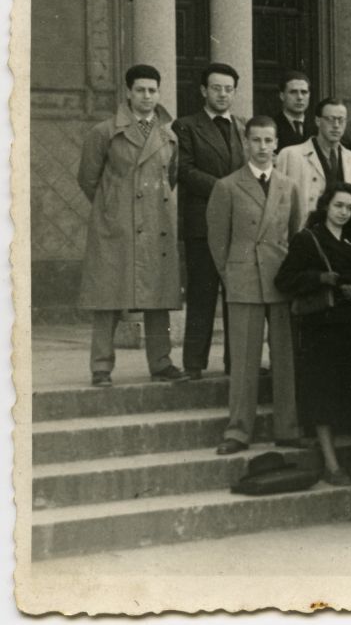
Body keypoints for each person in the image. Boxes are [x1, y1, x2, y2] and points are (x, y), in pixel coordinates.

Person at [78, 64, 187, 386]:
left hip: (156, 224)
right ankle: (101, 367)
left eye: (152, 90)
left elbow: (170, 178)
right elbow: (88, 178)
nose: (146, 96)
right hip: (117, 226)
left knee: (158, 297)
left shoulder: (169, 136)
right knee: (108, 297)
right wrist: (113, 207)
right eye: (140, 90)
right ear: (128, 92)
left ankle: (161, 363)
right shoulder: (105, 132)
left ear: (159, 93)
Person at [207, 116, 304, 455]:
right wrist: (233, 275)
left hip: (280, 280)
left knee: (285, 360)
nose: (263, 147)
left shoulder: (289, 185)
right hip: (244, 280)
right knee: (244, 361)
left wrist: (290, 275)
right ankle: (238, 431)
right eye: (256, 140)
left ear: (276, 144)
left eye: (268, 141)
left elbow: (296, 234)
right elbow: (218, 241)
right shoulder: (227, 186)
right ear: (246, 143)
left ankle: (288, 428)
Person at [275, 182, 351, 484]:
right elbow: (284, 280)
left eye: (349, 207)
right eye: (338, 205)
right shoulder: (308, 239)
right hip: (320, 328)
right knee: (323, 395)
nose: (344, 212)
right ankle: (332, 466)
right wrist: (325, 278)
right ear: (325, 206)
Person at [174, 62, 245, 378]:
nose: (223, 94)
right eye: (216, 88)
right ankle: (193, 364)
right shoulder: (186, 126)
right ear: (204, 90)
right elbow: (184, 170)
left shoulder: (243, 127)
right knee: (202, 294)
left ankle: (236, 361)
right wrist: (225, 188)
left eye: (228, 89)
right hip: (202, 223)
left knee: (236, 295)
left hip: (239, 224)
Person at [275, 97, 351, 212]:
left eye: (341, 120)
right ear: (318, 121)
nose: (336, 125)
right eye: (330, 119)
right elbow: (277, 204)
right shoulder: (290, 156)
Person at [271, 70, 312, 150]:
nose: (299, 97)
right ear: (282, 96)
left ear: (309, 95)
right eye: (293, 92)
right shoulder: (273, 126)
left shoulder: (317, 126)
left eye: (304, 92)